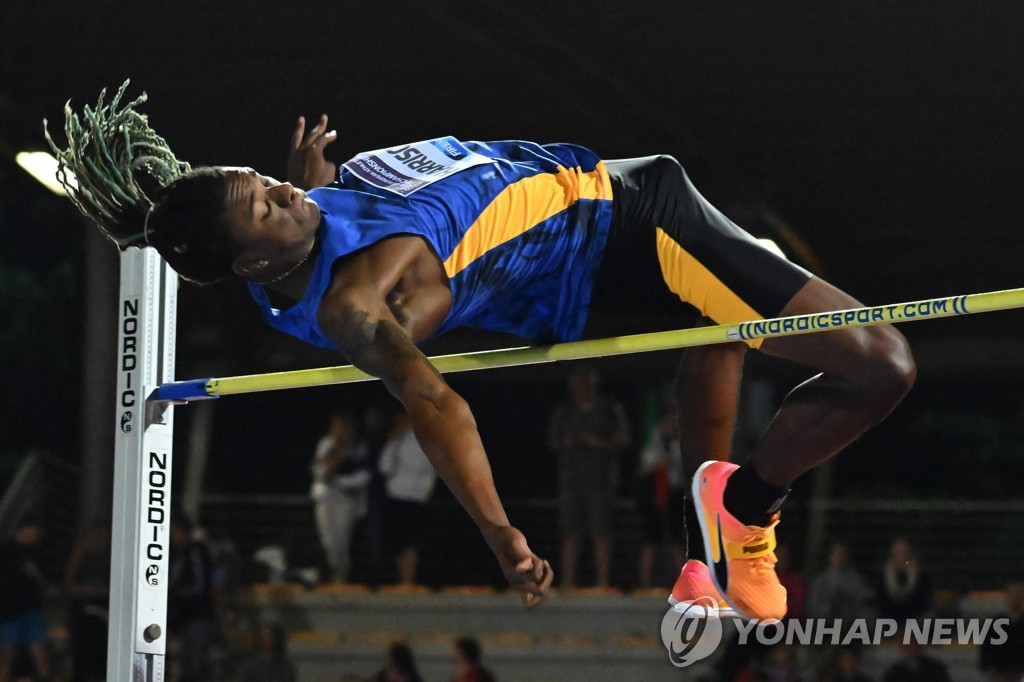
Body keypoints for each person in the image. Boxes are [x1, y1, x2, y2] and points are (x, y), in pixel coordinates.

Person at [47, 82, 916, 616]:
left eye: (268, 182)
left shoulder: (308, 230)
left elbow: (328, 235)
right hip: (632, 223)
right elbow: (435, 402)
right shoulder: (355, 303)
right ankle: (750, 510)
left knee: (723, 331)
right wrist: (501, 535)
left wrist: (306, 189)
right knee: (884, 367)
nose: (283, 192)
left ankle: (714, 540)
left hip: (591, 241)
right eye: (269, 207)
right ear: (250, 262)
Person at [548, 365, 629, 589]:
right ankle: (567, 582)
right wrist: (571, 443)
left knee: (601, 529)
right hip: (571, 479)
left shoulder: (609, 408)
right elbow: (553, 442)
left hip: (601, 480)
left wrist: (597, 443)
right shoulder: (565, 411)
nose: (578, 387)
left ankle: (603, 582)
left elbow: (623, 440)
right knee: (569, 530)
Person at [310, 410, 372, 583]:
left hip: (345, 500)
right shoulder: (326, 444)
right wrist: (332, 459)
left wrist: (338, 480)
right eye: (335, 427)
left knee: (341, 540)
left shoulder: (358, 448)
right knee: (327, 540)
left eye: (342, 427)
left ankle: (341, 578)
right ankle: (333, 576)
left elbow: (364, 476)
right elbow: (318, 470)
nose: (338, 430)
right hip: (325, 498)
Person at [378, 413, 438, 585]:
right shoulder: (399, 438)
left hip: (413, 498)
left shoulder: (427, 436)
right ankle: (403, 582)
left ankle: (407, 582)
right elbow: (384, 465)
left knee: (409, 543)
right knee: (400, 543)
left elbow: (429, 468)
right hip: (398, 496)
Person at [635, 405, 685, 589]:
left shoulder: (683, 445)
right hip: (654, 497)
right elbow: (643, 469)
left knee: (676, 540)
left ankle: (683, 582)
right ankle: (645, 583)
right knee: (651, 539)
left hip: (675, 495)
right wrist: (658, 463)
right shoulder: (654, 443)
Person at [0, 519, 52, 682]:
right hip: (10, 610)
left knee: (38, 649)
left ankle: (44, 677)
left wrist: (36, 575)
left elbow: (44, 580)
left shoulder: (36, 552)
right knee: (8, 654)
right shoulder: (7, 550)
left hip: (31, 609)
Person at [63, 522, 111, 682]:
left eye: (104, 538)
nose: (101, 541)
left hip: (104, 613)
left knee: (101, 654)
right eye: (98, 537)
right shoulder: (81, 553)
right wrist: (86, 591)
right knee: (81, 655)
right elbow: (69, 584)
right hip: (83, 611)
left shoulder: (110, 556)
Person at [877, 537, 931, 622]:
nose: (900, 556)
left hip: (915, 615)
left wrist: (907, 596)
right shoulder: (883, 573)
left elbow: (925, 600)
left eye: (903, 552)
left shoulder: (920, 573)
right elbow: (879, 600)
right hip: (888, 616)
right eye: (897, 553)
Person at [980, 582, 1024, 682]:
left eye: (1018, 595)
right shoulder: (996, 622)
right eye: (1012, 595)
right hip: (999, 673)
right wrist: (990, 669)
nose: (1015, 598)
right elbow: (987, 648)